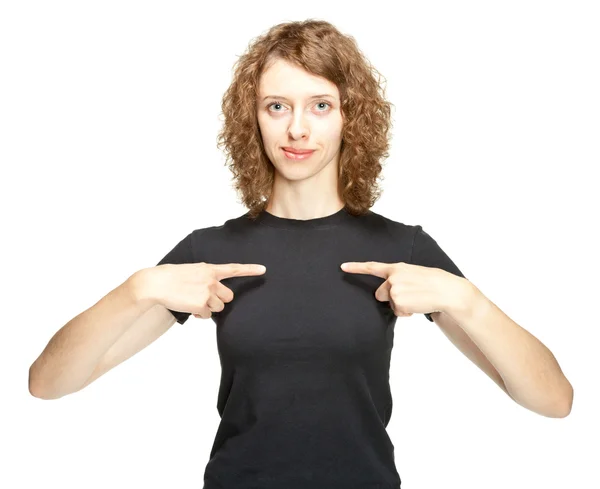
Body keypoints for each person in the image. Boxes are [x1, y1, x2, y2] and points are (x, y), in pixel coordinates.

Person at [28, 18, 572, 489]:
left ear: (349, 117)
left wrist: (466, 299)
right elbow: (48, 384)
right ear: (253, 118)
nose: (297, 128)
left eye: (320, 105)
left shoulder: (400, 248)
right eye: (277, 106)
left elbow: (552, 401)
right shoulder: (211, 253)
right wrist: (135, 290)